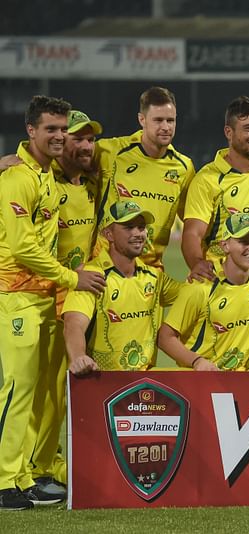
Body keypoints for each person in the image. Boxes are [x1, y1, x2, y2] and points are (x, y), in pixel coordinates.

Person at [0, 96, 105, 510]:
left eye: (64, 129)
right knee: (17, 388)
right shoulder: (18, 178)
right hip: (16, 296)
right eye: (52, 129)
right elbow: (23, 244)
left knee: (44, 390)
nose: (60, 136)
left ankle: (25, 475)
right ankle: (5, 479)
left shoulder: (43, 175)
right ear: (31, 131)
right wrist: (70, 277)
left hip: (44, 297)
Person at [26, 110, 104, 497]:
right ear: (59, 144)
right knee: (33, 387)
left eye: (91, 139)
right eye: (78, 138)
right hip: (38, 295)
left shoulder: (90, 184)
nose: (86, 146)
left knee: (58, 387)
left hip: (73, 295)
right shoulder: (43, 181)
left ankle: (41, 463)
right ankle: (25, 469)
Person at [63, 200, 181, 375]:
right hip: (103, 383)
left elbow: (195, 296)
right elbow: (74, 324)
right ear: (108, 234)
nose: (138, 233)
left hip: (147, 383)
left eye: (141, 227)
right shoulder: (92, 276)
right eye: (128, 227)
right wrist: (79, 357)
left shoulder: (154, 277)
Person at [159, 213, 249, 371]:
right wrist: (197, 361)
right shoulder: (201, 286)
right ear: (225, 246)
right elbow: (165, 338)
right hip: (198, 382)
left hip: (237, 382)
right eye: (244, 242)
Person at [95, 86, 195, 269]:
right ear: (142, 119)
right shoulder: (111, 152)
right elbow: (67, 152)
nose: (165, 127)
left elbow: (193, 221)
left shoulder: (184, 167)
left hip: (152, 273)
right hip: (107, 268)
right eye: (158, 120)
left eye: (170, 120)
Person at [182, 96, 249, 283]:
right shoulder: (208, 179)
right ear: (229, 132)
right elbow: (192, 233)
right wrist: (197, 263)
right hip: (217, 282)